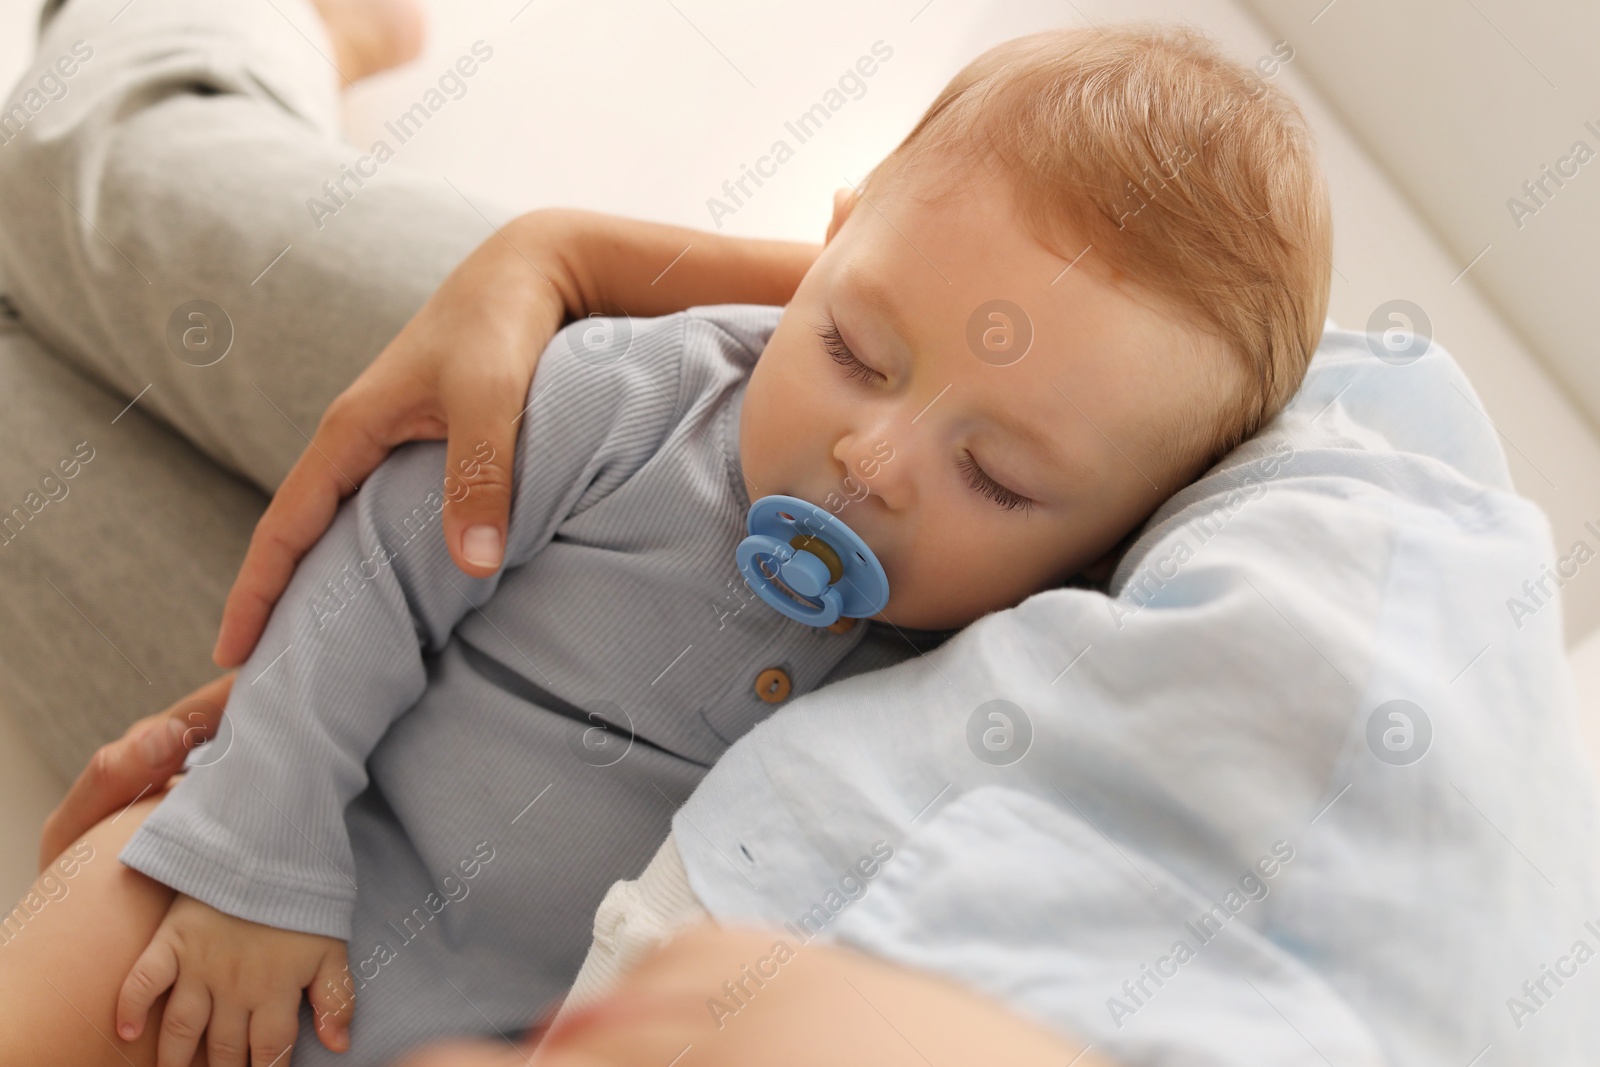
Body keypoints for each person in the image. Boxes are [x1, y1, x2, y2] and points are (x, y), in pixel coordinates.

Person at [0, 0, 1344, 1064]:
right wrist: (258, 845)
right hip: (327, 850)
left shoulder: (1005, 666)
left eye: (993, 477)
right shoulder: (638, 395)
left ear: (1119, 535)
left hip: (509, 1018)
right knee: (75, 976)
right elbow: (379, 571)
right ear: (825, 238)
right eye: (855, 351)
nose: (870, 461)